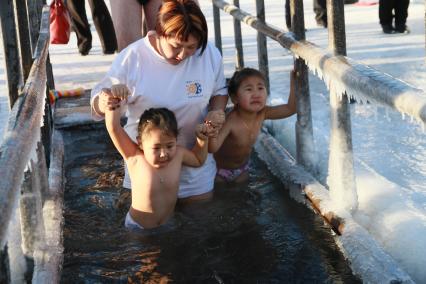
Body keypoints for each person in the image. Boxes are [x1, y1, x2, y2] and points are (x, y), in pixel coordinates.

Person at [91, 0, 228, 201]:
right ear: (159, 32)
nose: (183, 55)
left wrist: (217, 112)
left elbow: (220, 91)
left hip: (195, 168)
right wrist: (104, 101)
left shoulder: (209, 54)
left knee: (202, 225)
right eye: (176, 46)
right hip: (147, 173)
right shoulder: (133, 57)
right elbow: (99, 100)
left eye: (191, 47)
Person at [104, 86, 212, 229]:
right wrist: (113, 104)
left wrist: (202, 140)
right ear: (140, 143)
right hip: (138, 227)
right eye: (156, 148)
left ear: (176, 140)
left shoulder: (178, 155)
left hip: (167, 224)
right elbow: (114, 128)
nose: (163, 153)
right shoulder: (135, 158)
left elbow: (198, 160)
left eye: (169, 146)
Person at [209, 68, 296, 183]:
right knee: (225, 197)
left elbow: (290, 109)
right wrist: (211, 126)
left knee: (243, 193)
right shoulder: (230, 121)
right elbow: (212, 148)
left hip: (243, 169)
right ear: (235, 98)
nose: (256, 94)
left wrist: (294, 82)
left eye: (260, 88)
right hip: (220, 171)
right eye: (249, 89)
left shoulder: (262, 113)